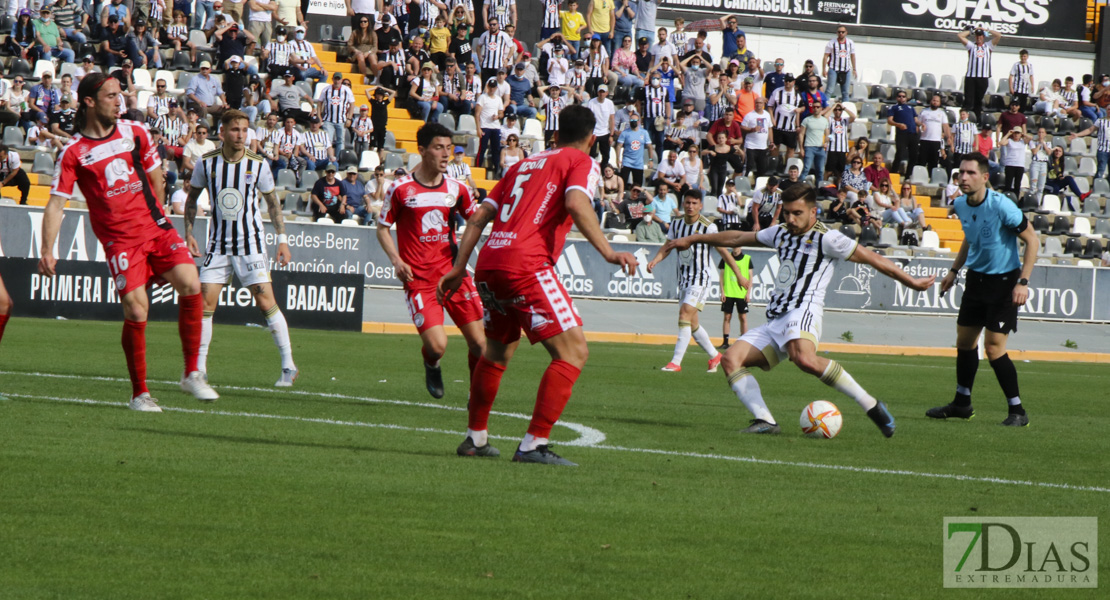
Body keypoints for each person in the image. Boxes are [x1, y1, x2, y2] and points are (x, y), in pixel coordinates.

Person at [437, 104, 638, 465]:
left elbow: (480, 214)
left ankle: (475, 438)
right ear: (592, 139)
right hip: (526, 264)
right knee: (573, 353)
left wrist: (458, 267)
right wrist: (608, 252)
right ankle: (533, 444)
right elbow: (577, 202)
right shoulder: (582, 161)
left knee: (497, 352)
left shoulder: (520, 165)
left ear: (556, 134)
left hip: (489, 264)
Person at [663, 183, 935, 435]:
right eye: (787, 213)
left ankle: (871, 405)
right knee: (730, 359)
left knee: (803, 357)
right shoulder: (780, 232)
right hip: (776, 319)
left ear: (813, 212)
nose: (790, 219)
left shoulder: (828, 239)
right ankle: (766, 421)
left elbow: (873, 258)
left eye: (797, 213)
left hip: (804, 310)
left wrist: (911, 281)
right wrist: (695, 238)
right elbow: (737, 238)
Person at [39, 73, 218, 412]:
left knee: (192, 284)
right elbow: (56, 203)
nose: (119, 100)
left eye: (120, 94)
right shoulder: (74, 153)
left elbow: (155, 178)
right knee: (137, 309)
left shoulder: (135, 133)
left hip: (156, 228)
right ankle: (140, 393)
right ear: (90, 101)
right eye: (110, 95)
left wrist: (160, 216)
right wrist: (47, 250)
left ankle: (192, 372)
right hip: (121, 242)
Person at [182, 110, 297, 387]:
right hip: (218, 244)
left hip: (250, 244)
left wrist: (282, 239)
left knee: (266, 302)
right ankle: (198, 369)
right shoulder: (207, 163)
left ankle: (288, 366)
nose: (241, 135)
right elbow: (191, 199)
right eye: (235, 130)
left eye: (245, 130)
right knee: (205, 304)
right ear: (222, 132)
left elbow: (272, 204)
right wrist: (188, 233)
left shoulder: (257, 164)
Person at [377, 123, 487, 399]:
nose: (446, 154)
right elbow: (382, 227)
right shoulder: (401, 189)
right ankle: (431, 362)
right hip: (420, 282)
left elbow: (475, 220)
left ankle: (477, 399)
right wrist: (396, 260)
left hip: (453, 275)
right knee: (438, 346)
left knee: (481, 345)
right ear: (422, 150)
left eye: (449, 148)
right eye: (439, 148)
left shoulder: (457, 189)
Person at [928, 153, 1039, 427]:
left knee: (993, 348)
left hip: (1004, 284)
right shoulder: (961, 205)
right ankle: (962, 404)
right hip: (976, 280)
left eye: (970, 173)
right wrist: (954, 271)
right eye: (961, 173)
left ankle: (1018, 411)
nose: (964, 178)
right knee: (964, 342)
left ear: (985, 177)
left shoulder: (1002, 206)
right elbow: (969, 237)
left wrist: (1022, 282)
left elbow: (1033, 240)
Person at [648, 189, 744, 373]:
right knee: (692, 324)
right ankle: (715, 356)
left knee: (684, 315)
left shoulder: (709, 227)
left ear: (700, 205)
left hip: (701, 279)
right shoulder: (676, 225)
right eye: (687, 203)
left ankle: (675, 362)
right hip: (684, 279)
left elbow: (723, 251)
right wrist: (656, 260)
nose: (690, 206)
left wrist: (739, 274)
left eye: (694, 203)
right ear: (683, 204)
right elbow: (668, 246)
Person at [957, 26, 1002, 121]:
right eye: (977, 36)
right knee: (968, 101)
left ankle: (976, 121)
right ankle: (964, 120)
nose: (979, 37)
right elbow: (960, 35)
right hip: (971, 77)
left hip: (983, 77)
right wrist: (972, 31)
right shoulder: (971, 46)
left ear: (983, 37)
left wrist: (987, 30)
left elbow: (998, 35)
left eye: (980, 36)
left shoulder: (988, 46)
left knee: (978, 101)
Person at [718, 246, 750, 350]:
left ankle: (744, 342)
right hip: (729, 292)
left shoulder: (747, 259)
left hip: (741, 293)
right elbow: (721, 276)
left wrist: (748, 293)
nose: (735, 248)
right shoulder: (725, 259)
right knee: (727, 317)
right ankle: (725, 342)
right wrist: (722, 291)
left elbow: (751, 277)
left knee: (743, 317)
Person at [616, 113, 653, 187]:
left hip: (638, 163)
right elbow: (619, 145)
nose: (633, 122)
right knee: (622, 183)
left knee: (637, 185)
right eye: (631, 120)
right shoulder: (625, 132)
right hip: (627, 161)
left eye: (635, 120)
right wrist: (617, 159)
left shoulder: (644, 133)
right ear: (629, 121)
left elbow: (649, 146)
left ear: (639, 121)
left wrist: (650, 159)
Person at [887, 89, 918, 175]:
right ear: (897, 98)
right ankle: (893, 173)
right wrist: (898, 124)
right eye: (899, 96)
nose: (901, 98)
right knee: (899, 154)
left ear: (906, 98)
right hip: (902, 134)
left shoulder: (911, 108)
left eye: (903, 96)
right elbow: (889, 121)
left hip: (912, 133)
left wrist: (921, 124)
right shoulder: (894, 107)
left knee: (913, 156)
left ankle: (908, 176)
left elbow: (915, 120)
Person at [1070, 115, 1110, 180]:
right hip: (1102, 150)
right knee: (1100, 170)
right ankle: (1097, 187)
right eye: (1108, 109)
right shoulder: (1100, 121)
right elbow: (1090, 130)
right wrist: (1077, 134)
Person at [822, 25, 856, 102]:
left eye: (843, 32)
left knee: (845, 93)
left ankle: (845, 109)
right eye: (839, 32)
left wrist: (854, 69)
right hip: (834, 69)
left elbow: (853, 56)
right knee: (829, 90)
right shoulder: (831, 43)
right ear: (836, 33)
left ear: (846, 33)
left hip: (846, 70)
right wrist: (824, 69)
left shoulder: (850, 43)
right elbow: (825, 56)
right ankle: (824, 107)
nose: (841, 33)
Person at [798, 106, 830, 182]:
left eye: (818, 107)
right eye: (814, 107)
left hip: (820, 148)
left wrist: (826, 142)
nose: (816, 108)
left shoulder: (824, 120)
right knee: (806, 169)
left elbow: (827, 134)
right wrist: (801, 148)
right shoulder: (807, 120)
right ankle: (798, 187)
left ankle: (819, 190)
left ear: (821, 108)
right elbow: (801, 134)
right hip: (809, 146)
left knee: (820, 171)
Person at [999, 128, 1027, 194]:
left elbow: (1030, 138)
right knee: (1008, 185)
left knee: (1017, 185)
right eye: (1015, 133)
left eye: (1018, 133)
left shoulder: (1023, 141)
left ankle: (1016, 200)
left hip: (1019, 165)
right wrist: (1008, 134)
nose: (1016, 135)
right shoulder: (1009, 141)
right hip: (1010, 164)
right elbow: (1001, 143)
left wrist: (1023, 134)